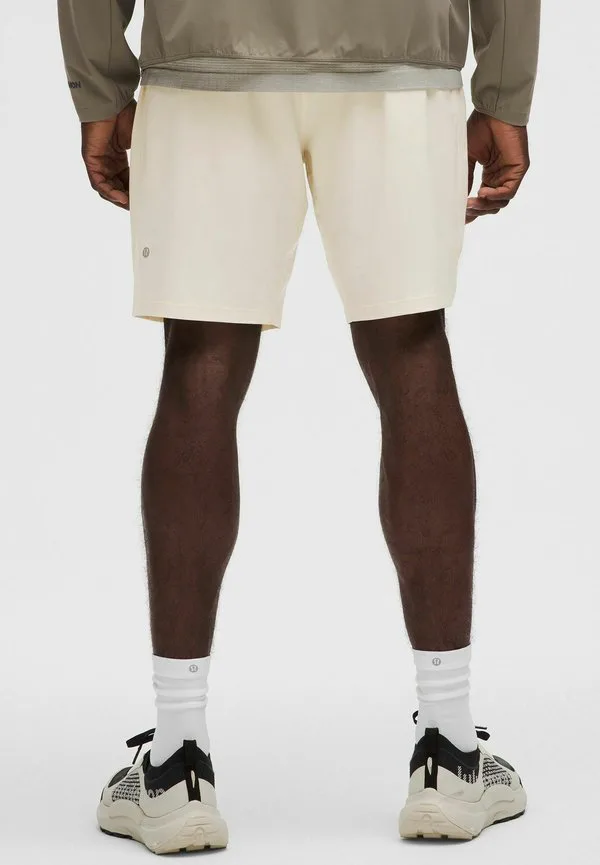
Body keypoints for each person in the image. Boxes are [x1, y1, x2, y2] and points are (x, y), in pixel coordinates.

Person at [58, 0, 540, 853]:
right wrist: (504, 88)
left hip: (209, 56)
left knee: (201, 361)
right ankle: (451, 750)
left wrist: (99, 83)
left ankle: (175, 762)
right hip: (400, 56)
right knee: (413, 351)